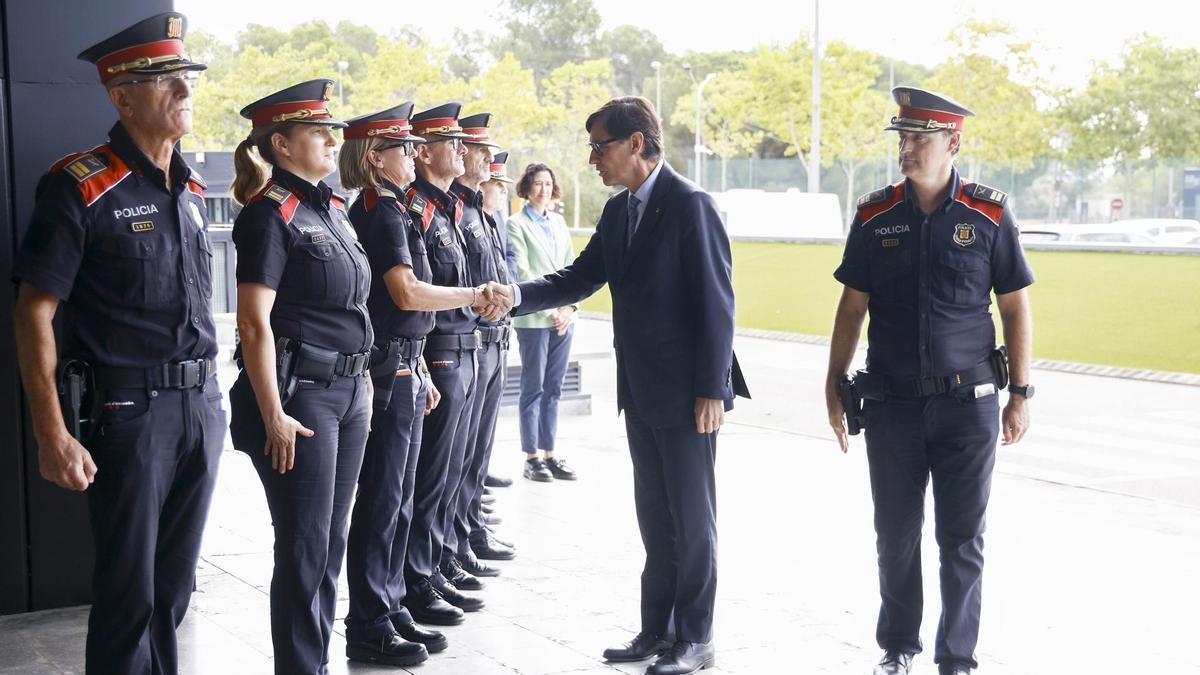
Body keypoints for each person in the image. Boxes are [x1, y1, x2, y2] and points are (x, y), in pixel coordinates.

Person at [484, 96, 749, 675]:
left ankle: (696, 638)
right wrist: (517, 295)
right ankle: (658, 629)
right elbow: (580, 276)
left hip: (688, 395)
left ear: (636, 143)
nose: (591, 160)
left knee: (692, 520)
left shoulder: (690, 206)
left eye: (599, 147)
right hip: (643, 389)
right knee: (655, 517)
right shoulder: (620, 211)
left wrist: (712, 387)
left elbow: (717, 304)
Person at [12, 13, 221, 674]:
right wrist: (52, 433)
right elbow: (33, 314)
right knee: (129, 594)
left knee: (174, 590)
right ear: (120, 95)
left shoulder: (189, 190)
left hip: (200, 408)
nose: (183, 89)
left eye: (185, 74)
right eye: (164, 79)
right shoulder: (81, 186)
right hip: (131, 415)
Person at [825, 87, 1035, 675]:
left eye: (920, 138)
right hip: (890, 406)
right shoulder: (874, 214)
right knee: (894, 537)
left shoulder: (988, 214)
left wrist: (1020, 393)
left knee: (962, 540)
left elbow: (1015, 309)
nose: (907, 149)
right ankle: (897, 648)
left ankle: (956, 658)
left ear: (953, 142)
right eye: (903, 138)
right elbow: (851, 307)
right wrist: (833, 382)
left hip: (968, 407)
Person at [226, 79, 372, 675]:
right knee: (305, 547)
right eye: (319, 132)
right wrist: (272, 414)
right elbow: (253, 324)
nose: (332, 140)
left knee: (329, 543)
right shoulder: (269, 215)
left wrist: (362, 381)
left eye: (332, 130)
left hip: (349, 393)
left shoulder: (331, 207)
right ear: (281, 143)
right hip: (300, 399)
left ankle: (315, 661)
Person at [340, 102, 492, 666]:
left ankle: (392, 602)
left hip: (406, 362)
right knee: (384, 498)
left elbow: (403, 315)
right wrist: (474, 296)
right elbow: (404, 295)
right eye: (402, 147)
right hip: (384, 368)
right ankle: (371, 620)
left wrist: (421, 365)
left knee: (401, 498)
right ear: (376, 158)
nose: (412, 154)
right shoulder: (381, 213)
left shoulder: (396, 208)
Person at [399, 102, 489, 623]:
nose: (461, 149)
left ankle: (433, 565)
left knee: (451, 469)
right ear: (426, 150)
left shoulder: (450, 208)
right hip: (439, 351)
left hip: (465, 346)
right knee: (427, 475)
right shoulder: (418, 208)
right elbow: (418, 291)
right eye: (450, 141)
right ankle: (419, 576)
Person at [444, 113, 520, 574]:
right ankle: (450, 547)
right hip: (460, 342)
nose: (490, 160)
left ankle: (467, 531)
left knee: (474, 453)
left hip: (489, 339)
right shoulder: (452, 208)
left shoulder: (478, 211)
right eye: (481, 149)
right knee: (451, 462)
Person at [505, 162, 579, 483]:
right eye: (537, 183)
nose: (543, 189)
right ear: (527, 187)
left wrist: (569, 308)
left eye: (548, 184)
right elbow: (522, 271)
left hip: (563, 319)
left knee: (554, 389)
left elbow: (573, 268)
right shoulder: (515, 224)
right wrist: (551, 308)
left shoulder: (559, 223)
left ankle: (549, 453)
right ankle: (531, 457)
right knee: (533, 388)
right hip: (535, 319)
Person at [481, 151, 517, 492]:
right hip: (473, 337)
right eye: (497, 183)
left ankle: (471, 508)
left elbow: (505, 266)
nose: (503, 191)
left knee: (482, 431)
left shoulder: (493, 221)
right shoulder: (470, 217)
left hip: (496, 334)